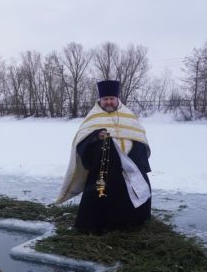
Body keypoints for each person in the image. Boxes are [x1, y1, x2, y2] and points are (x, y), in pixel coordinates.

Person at [54, 80, 152, 233]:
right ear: (100, 100)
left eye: (111, 98)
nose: (108, 102)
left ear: (117, 99)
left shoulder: (128, 115)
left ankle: (133, 222)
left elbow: (140, 138)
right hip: (104, 167)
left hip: (131, 164)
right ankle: (98, 225)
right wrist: (95, 136)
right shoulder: (93, 118)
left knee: (135, 191)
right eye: (105, 99)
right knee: (100, 194)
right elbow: (81, 142)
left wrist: (135, 158)